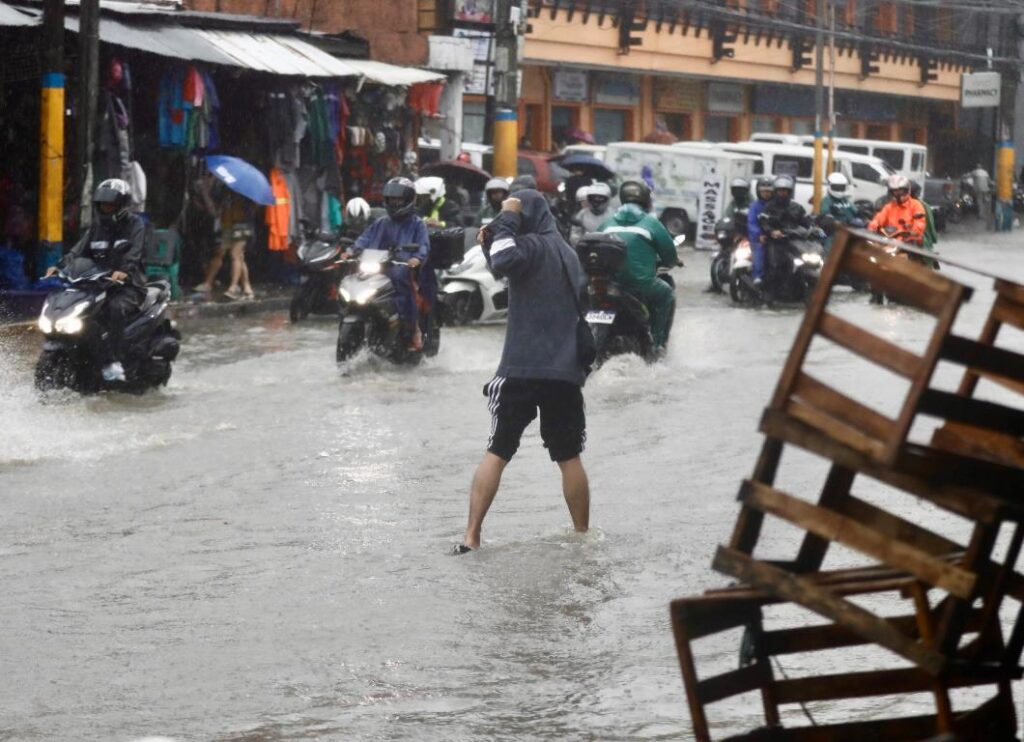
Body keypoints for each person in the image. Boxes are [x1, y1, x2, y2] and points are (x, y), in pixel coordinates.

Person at [455, 189, 590, 553]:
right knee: (569, 457)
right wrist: (494, 236)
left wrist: (508, 218)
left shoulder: (528, 247)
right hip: (564, 372)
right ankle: (581, 536)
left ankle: (471, 536)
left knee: (497, 449)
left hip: (521, 368)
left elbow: (503, 259)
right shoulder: (567, 252)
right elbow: (504, 264)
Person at [45, 179, 145, 382]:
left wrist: (124, 271)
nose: (105, 209)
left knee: (114, 309)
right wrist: (60, 266)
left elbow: (134, 254)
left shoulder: (135, 225)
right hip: (96, 285)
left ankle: (113, 362)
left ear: (121, 205)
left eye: (109, 205)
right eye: (101, 205)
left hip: (128, 287)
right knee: (78, 311)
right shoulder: (96, 227)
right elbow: (77, 251)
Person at [347, 177, 430, 351]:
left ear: (408, 200)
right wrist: (351, 250)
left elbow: (423, 246)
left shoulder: (417, 225)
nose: (395, 203)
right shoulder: (381, 223)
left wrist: (416, 258)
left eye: (398, 199)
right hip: (378, 268)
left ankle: (413, 330)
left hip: (402, 268)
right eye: (392, 199)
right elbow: (364, 239)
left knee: (402, 281)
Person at [598, 180, 678, 351]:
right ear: (646, 200)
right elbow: (670, 256)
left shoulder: (607, 222)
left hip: (608, 284)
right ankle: (657, 344)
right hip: (641, 284)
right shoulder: (651, 223)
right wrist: (670, 262)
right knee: (666, 295)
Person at [193, 186, 255, 301]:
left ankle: (233, 287)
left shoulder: (245, 193)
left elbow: (250, 210)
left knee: (236, 255)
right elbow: (217, 209)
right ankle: (245, 286)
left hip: (241, 225)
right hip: (227, 224)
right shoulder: (226, 191)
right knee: (225, 254)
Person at [758, 175, 813, 285]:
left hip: (794, 240)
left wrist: (815, 228)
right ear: (776, 192)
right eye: (780, 191)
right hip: (776, 241)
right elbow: (763, 222)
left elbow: (807, 221)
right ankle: (768, 296)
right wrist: (772, 231)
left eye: (785, 191)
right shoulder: (769, 207)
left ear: (790, 192)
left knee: (809, 259)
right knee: (775, 264)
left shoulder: (797, 207)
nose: (782, 193)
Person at [868, 174, 927, 246]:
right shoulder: (889, 207)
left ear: (907, 190)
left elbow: (919, 224)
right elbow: (878, 219)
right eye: (895, 191)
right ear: (891, 192)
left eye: (901, 191)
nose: (898, 194)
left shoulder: (916, 205)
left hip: (908, 243)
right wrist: (872, 227)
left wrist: (911, 233)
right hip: (889, 241)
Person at [820, 172, 860, 255]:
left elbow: (855, 211)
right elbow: (825, 215)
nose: (839, 190)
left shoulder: (845, 200)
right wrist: (837, 221)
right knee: (831, 252)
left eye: (841, 187)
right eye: (836, 187)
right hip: (834, 233)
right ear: (830, 186)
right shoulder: (827, 200)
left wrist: (862, 214)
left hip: (850, 231)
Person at [747, 176, 776, 285]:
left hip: (775, 235)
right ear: (759, 192)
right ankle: (757, 275)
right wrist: (759, 234)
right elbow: (752, 223)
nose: (766, 194)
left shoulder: (776, 204)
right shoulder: (754, 206)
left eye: (768, 191)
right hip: (759, 237)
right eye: (763, 191)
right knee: (759, 249)